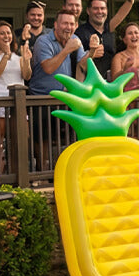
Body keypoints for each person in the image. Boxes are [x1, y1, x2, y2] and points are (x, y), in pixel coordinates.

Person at [29, 11, 102, 168]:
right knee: (42, 139)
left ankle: (67, 170)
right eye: (64, 23)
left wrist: (92, 50)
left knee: (69, 137)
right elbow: (48, 68)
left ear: (76, 26)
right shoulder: (44, 41)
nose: (68, 27)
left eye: (71, 24)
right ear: (55, 25)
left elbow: (83, 64)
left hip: (65, 97)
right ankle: (42, 173)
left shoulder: (75, 39)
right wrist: (67, 50)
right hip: (42, 98)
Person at [0, 21, 31, 176]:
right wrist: (5, 56)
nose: (6, 36)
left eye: (8, 33)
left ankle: (16, 174)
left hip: (17, 104)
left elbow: (26, 76)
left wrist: (27, 60)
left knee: (19, 139)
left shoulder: (19, 56)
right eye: (2, 33)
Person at [73, 0, 136, 79]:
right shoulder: (80, 33)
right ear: (88, 11)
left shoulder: (109, 28)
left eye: (103, 8)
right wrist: (92, 53)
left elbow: (120, 14)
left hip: (110, 83)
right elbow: (76, 63)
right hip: (89, 84)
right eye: (95, 8)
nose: (100, 12)